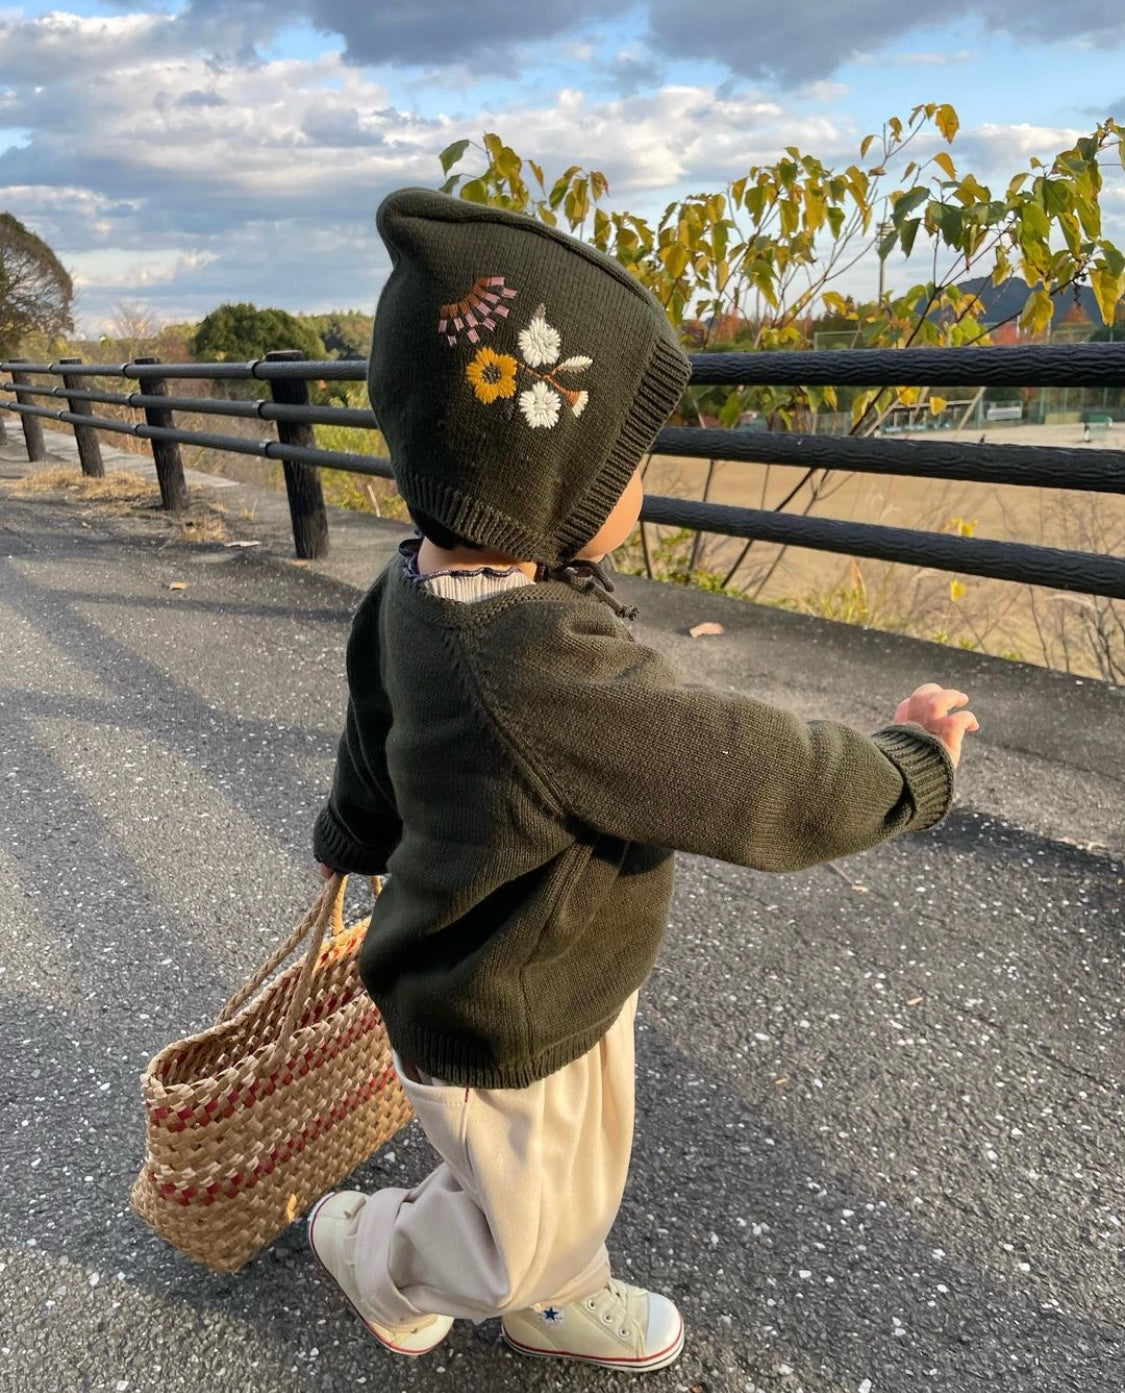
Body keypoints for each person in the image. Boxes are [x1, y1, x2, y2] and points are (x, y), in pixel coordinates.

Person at [307, 188, 980, 1371]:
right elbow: (750, 770)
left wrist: (351, 830)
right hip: (494, 1011)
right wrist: (905, 767)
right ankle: (386, 1250)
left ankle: (556, 1281)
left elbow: (372, 735)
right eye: (627, 454)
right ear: (541, 476)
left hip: (558, 972)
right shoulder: (539, 665)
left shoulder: (415, 586)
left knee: (570, 1174)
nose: (642, 479)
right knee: (514, 1219)